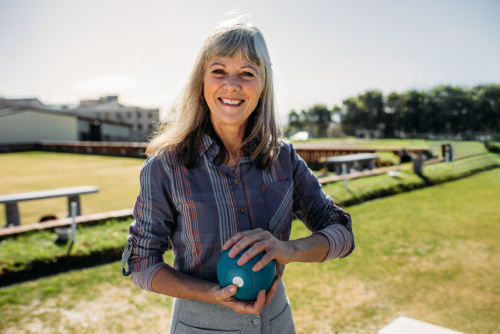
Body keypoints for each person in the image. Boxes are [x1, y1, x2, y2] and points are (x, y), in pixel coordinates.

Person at [121, 16, 354, 334]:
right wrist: (212, 294)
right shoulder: (164, 167)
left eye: (247, 74)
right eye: (219, 71)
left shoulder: (283, 157)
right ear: (201, 81)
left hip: (277, 324)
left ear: (262, 86)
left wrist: (289, 250)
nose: (232, 85)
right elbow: (141, 265)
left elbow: (342, 234)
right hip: (200, 326)